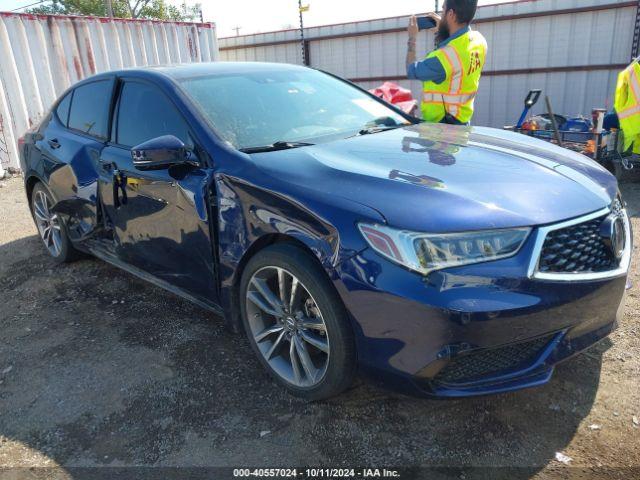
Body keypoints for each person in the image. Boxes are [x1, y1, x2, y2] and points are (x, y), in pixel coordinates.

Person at [406, 0, 487, 125]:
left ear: (451, 14)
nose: (440, 15)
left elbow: (411, 70)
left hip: (441, 131)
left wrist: (412, 37)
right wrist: (442, 32)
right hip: (461, 121)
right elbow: (456, 58)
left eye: (443, 10)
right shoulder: (479, 40)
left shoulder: (444, 57)